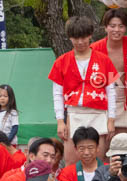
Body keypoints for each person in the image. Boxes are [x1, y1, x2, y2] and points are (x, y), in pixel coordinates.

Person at [48, 15, 118, 163]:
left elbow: (111, 92)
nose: (80, 42)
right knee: (71, 161)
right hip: (73, 113)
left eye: (83, 37)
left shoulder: (103, 60)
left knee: (98, 160)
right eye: (75, 38)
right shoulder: (62, 62)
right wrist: (60, 121)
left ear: (90, 35)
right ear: (70, 38)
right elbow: (57, 94)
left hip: (98, 113)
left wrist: (111, 119)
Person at [91, 9, 127, 131]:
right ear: (105, 28)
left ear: (125, 28)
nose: (116, 30)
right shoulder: (95, 49)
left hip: (126, 98)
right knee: (103, 138)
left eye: (121, 26)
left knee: (123, 138)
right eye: (112, 26)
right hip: (103, 99)